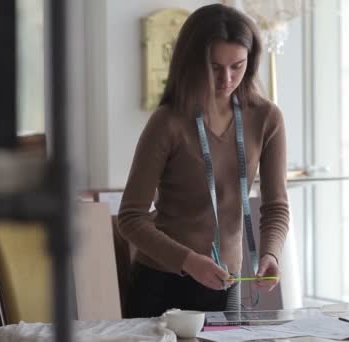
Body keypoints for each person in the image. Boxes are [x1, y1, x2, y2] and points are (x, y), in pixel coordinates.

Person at [118, 3, 289, 318]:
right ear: (192, 63)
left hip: (227, 285)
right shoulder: (168, 122)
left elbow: (276, 205)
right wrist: (187, 260)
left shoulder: (266, 118)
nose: (226, 79)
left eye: (237, 66)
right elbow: (131, 218)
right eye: (214, 67)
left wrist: (271, 254)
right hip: (162, 283)